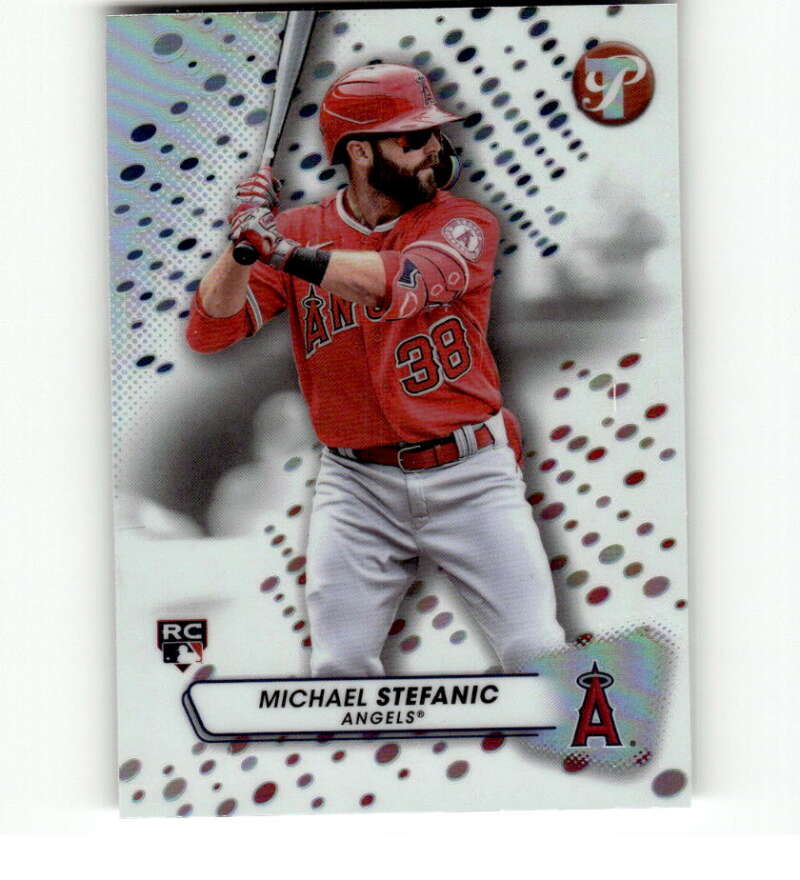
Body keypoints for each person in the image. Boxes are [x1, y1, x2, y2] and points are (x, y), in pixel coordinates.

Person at [187, 63, 564, 677]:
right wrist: (243, 246)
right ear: (360, 152)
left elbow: (401, 284)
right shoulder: (300, 231)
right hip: (356, 484)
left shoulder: (462, 223)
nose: (436, 148)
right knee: (338, 667)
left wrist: (280, 249)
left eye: (435, 133)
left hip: (470, 475)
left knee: (535, 653)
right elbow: (209, 329)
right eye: (414, 137)